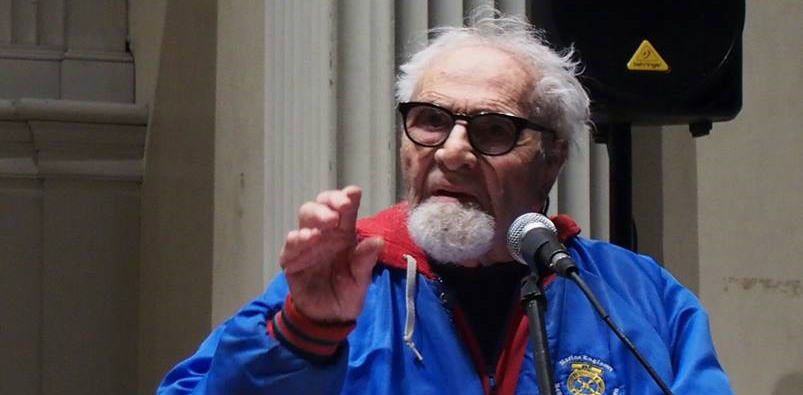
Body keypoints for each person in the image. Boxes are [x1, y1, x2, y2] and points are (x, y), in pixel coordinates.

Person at [157, 9, 734, 395]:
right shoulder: (333, 290)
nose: (452, 152)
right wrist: (300, 338)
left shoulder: (641, 297)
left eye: (492, 130)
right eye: (430, 121)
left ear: (552, 157)